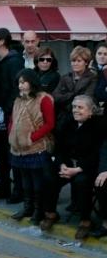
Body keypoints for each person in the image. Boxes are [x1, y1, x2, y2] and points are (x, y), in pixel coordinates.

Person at [40, 95, 105, 240]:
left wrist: (77, 169)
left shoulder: (99, 126)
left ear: (91, 111)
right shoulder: (68, 123)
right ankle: (50, 213)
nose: (75, 110)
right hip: (68, 164)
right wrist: (62, 165)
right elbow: (59, 148)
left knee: (81, 182)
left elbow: (97, 154)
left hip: (88, 166)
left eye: (80, 107)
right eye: (74, 107)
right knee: (49, 176)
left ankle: (85, 221)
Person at [8, 69, 54, 224]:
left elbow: (49, 124)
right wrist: (11, 136)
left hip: (36, 147)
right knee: (24, 179)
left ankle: (38, 210)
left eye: (24, 82)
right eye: (19, 82)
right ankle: (27, 207)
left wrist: (31, 138)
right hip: (18, 148)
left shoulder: (44, 99)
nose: (20, 85)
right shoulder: (18, 100)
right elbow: (12, 121)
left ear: (32, 82)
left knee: (37, 181)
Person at [0, 27, 25, 203]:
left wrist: (9, 108)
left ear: (3, 41)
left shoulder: (14, 61)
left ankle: (17, 191)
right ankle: (4, 187)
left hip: (11, 112)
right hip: (0, 113)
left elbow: (15, 88)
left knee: (13, 152)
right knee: (3, 152)